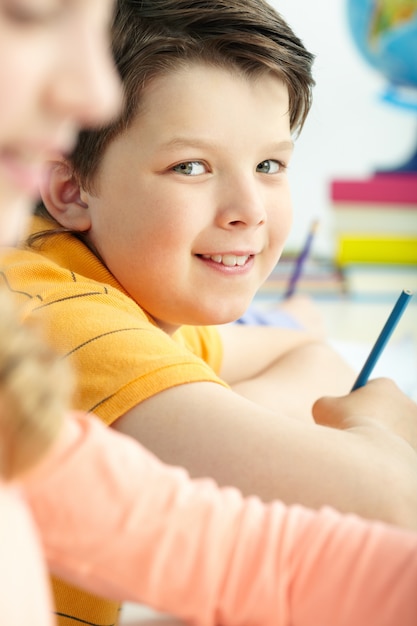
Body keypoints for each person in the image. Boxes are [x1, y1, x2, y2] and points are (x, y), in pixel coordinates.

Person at [0, 0, 417, 625]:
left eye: (270, 165)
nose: (248, 208)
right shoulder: (64, 320)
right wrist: (375, 429)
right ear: (69, 189)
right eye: (190, 166)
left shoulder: (88, 281)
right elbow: (389, 509)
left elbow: (305, 349)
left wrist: (214, 420)